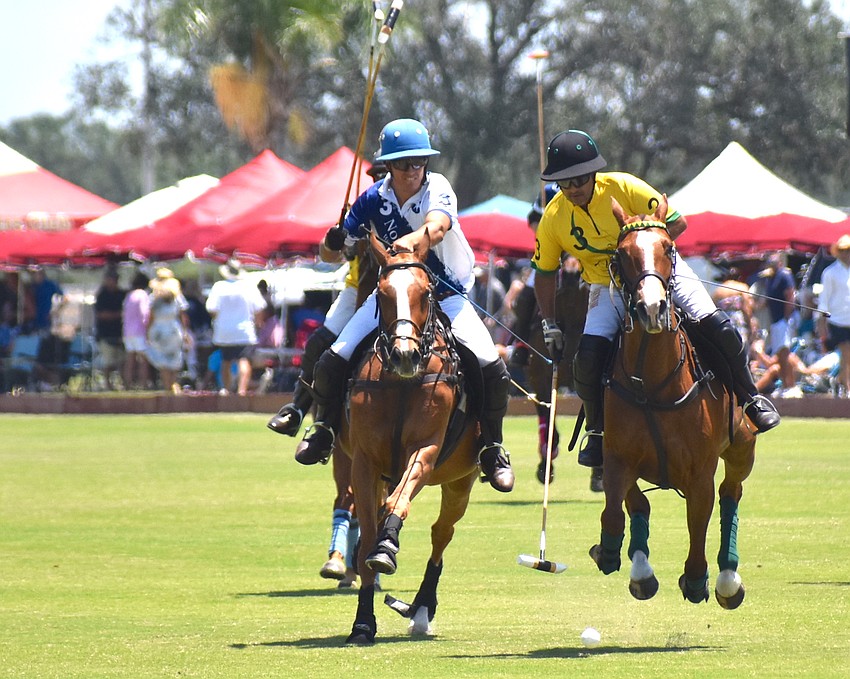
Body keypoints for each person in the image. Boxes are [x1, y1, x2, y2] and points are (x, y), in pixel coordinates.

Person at [531, 129, 780, 468]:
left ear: (593, 173)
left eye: (579, 179)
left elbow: (677, 222)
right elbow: (545, 272)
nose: (573, 188)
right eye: (565, 182)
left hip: (660, 273)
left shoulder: (624, 187)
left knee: (718, 326)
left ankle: (751, 398)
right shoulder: (554, 217)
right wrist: (550, 324)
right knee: (587, 357)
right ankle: (598, 430)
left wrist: (638, 250)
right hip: (607, 287)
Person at [292, 118, 514, 493]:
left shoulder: (437, 187)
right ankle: (325, 430)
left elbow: (436, 228)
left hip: (447, 296)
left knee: (492, 367)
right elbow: (331, 255)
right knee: (333, 358)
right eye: (403, 164)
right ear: (388, 166)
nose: (413, 170)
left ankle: (492, 447)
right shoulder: (372, 200)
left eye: (418, 162)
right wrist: (330, 243)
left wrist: (400, 247)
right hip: (394, 298)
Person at [266, 155, 388, 436]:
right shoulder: (362, 208)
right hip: (358, 290)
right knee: (319, 343)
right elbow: (329, 255)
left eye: (385, 175)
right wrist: (335, 238)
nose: (380, 181)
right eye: (376, 176)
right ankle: (297, 409)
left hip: (402, 289)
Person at [205, 259, 267, 396]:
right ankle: (241, 391)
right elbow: (259, 307)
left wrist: (218, 320)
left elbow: (211, 308)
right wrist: (258, 323)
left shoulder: (219, 286)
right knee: (243, 360)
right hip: (244, 330)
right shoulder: (248, 286)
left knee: (226, 361)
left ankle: (226, 390)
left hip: (224, 331)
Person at [757, 252, 799, 396]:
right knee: (780, 355)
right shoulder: (770, 278)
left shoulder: (784, 275)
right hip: (775, 321)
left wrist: (786, 318)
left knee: (785, 354)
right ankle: (785, 385)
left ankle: (791, 386)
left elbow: (790, 295)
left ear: (779, 263)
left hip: (783, 320)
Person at [146, 268, 189, 394]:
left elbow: (150, 317)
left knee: (163, 360)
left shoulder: (153, 297)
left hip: (159, 329)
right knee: (175, 359)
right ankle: (173, 383)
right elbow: (182, 316)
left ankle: (167, 387)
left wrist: (147, 332)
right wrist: (185, 332)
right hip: (173, 329)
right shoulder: (177, 297)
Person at [818, 234, 850, 397]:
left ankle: (841, 381)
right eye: (844, 250)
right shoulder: (830, 272)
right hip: (837, 320)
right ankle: (847, 387)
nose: (847, 254)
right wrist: (821, 323)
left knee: (847, 356)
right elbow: (824, 299)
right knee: (846, 352)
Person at [94, 269, 126, 390]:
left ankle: (123, 383)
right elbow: (101, 314)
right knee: (108, 361)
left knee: (122, 360)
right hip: (105, 334)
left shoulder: (122, 294)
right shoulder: (102, 295)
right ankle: (107, 384)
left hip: (120, 333)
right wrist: (118, 315)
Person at [122, 272, 151, 389]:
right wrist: (148, 327)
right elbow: (145, 313)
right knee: (143, 360)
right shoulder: (142, 294)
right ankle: (144, 384)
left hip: (127, 332)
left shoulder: (129, 295)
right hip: (139, 332)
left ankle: (127, 384)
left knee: (130, 359)